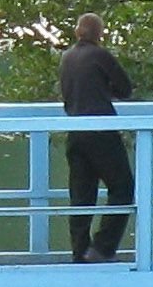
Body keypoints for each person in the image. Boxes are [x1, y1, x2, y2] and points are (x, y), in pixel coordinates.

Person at [55, 15, 136, 263]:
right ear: (99, 34)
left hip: (76, 134)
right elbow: (125, 88)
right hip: (101, 131)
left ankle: (79, 253)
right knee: (123, 188)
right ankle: (101, 248)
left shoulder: (66, 57)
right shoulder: (100, 56)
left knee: (81, 196)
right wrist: (105, 90)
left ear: (77, 31)